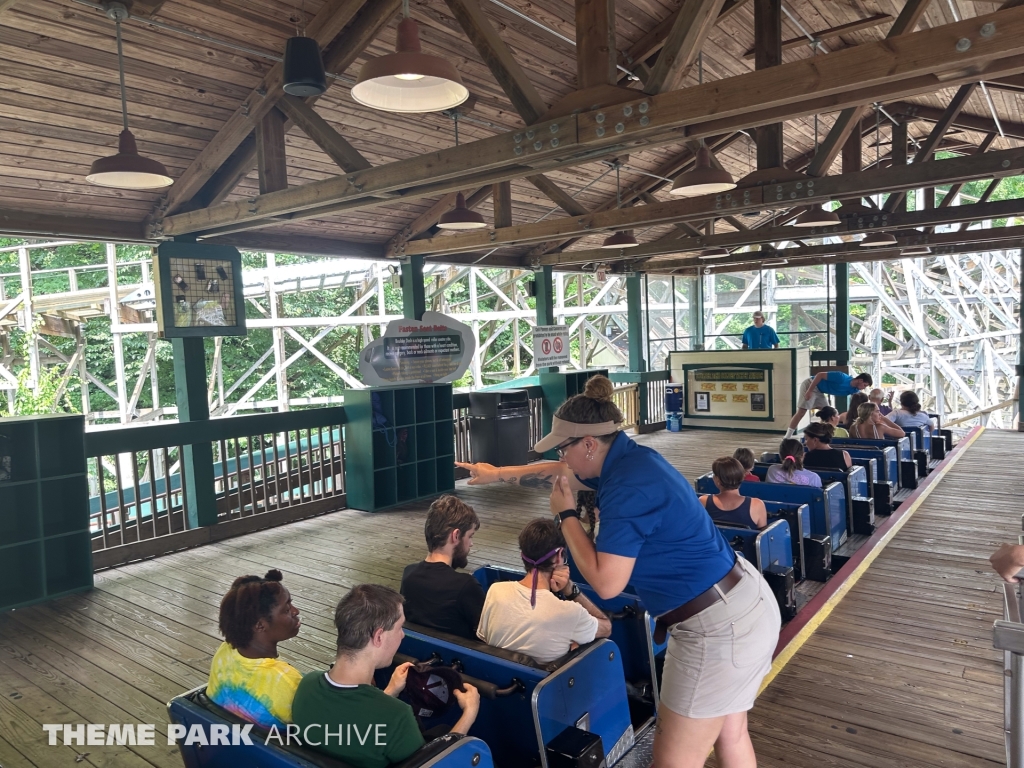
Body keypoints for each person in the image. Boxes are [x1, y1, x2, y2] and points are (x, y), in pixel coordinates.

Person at [458, 374, 781, 768]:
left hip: (716, 629)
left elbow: (607, 584)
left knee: (672, 761)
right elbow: (555, 470)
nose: (563, 457)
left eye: (565, 447)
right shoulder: (630, 458)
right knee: (731, 733)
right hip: (738, 603)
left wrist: (565, 515)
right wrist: (499, 474)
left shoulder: (627, 487)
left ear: (589, 444)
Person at [291, 584, 480, 768]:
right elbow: (435, 764)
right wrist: (469, 714)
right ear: (379, 636)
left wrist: (388, 692)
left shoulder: (307, 685)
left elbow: (354, 726)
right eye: (399, 627)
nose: (403, 635)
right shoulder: (397, 717)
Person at [476, 519, 611, 664]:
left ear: (523, 555)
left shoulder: (496, 591)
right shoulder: (569, 612)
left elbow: (485, 639)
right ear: (560, 555)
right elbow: (606, 628)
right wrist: (571, 591)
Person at [207, 569, 303, 729]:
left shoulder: (225, 651)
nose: (295, 611)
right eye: (286, 610)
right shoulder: (287, 681)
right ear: (260, 625)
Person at [400, 495, 486, 640]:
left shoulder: (409, 574)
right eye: (470, 536)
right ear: (456, 535)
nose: (471, 544)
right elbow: (487, 633)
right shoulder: (465, 586)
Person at [786, 371, 872, 438]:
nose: (864, 388)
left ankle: (822, 433)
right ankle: (788, 436)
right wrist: (809, 391)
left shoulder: (854, 390)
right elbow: (819, 375)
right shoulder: (841, 377)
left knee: (828, 413)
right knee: (802, 412)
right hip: (811, 384)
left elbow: (859, 400)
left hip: (820, 391)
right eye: (864, 385)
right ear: (860, 380)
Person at [699, 457, 767, 529]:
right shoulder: (757, 505)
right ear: (742, 477)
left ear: (717, 480)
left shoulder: (703, 501)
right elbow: (763, 537)